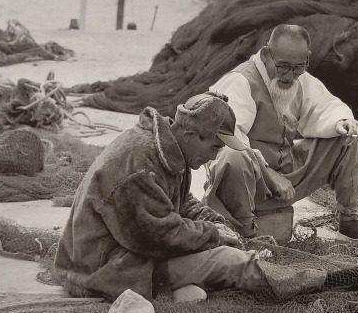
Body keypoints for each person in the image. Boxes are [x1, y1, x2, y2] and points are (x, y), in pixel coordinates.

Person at [54, 92, 272, 302]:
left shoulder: (170, 147)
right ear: (189, 135)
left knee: (218, 260)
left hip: (129, 254)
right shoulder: (140, 163)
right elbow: (158, 233)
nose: (213, 157)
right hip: (100, 269)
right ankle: (296, 285)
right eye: (214, 147)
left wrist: (216, 223)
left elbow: (182, 202)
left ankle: (170, 292)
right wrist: (212, 234)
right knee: (232, 262)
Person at [204, 24, 358, 247]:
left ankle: (349, 222)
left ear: (307, 59)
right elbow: (226, 137)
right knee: (231, 155)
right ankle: (246, 234)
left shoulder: (300, 78)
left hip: (286, 177)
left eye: (297, 68)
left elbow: (324, 107)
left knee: (347, 137)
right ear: (266, 54)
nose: (289, 76)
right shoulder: (241, 81)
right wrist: (269, 175)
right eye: (283, 67)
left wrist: (341, 122)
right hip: (249, 184)